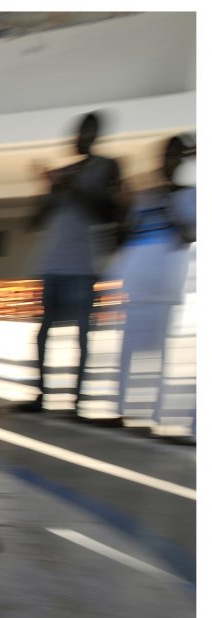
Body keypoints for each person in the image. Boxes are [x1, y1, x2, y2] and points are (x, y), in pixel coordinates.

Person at [19, 111, 123, 415]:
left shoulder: (107, 167)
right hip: (52, 262)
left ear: (96, 136)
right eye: (77, 133)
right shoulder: (64, 174)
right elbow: (35, 220)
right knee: (43, 332)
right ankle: (41, 394)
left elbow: (107, 212)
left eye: (87, 133)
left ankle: (77, 402)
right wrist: (48, 189)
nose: (80, 139)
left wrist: (70, 188)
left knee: (81, 333)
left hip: (82, 265)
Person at [107, 135, 196, 429]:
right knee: (127, 352)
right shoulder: (145, 196)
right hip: (136, 285)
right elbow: (124, 238)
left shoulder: (191, 195)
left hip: (163, 287)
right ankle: (121, 410)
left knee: (158, 357)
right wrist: (122, 208)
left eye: (177, 156)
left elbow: (189, 235)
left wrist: (170, 204)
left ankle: (155, 416)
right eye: (166, 155)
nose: (169, 161)